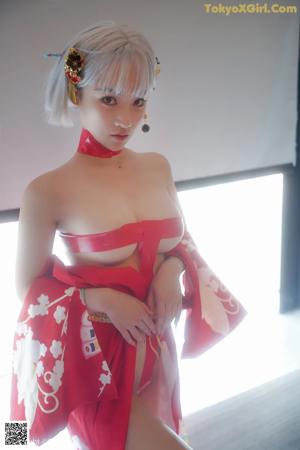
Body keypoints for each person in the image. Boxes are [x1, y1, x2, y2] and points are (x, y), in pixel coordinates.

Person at [10, 21, 248, 450]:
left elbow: (179, 241)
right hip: (95, 367)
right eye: (108, 99)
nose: (126, 118)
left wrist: (171, 269)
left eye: (138, 101)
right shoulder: (47, 190)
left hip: (158, 351)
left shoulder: (158, 166)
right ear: (74, 93)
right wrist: (99, 299)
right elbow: (27, 290)